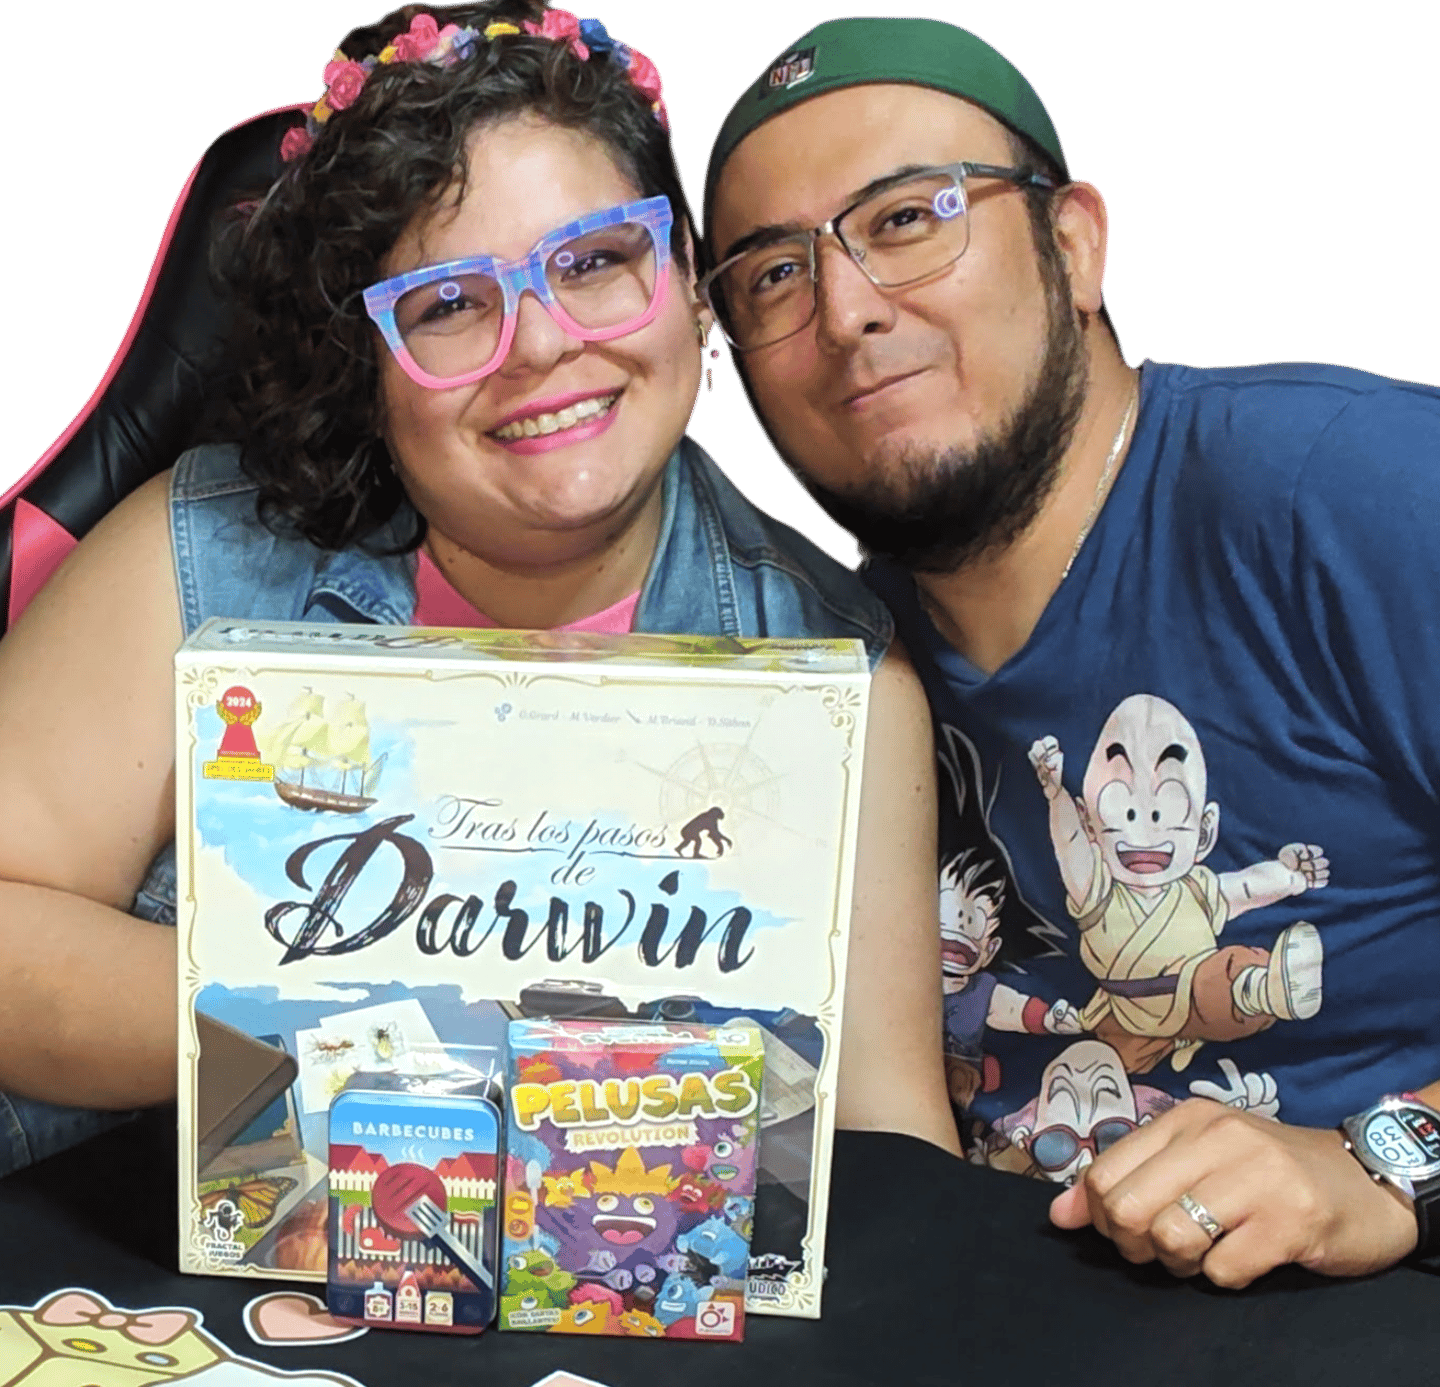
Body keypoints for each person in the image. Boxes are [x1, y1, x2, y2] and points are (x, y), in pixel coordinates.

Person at [0, 2, 959, 1177]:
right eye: (451, 304)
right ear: (371, 362)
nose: (542, 345)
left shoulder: (840, 688)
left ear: (688, 283)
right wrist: (351, 1018)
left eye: (596, 261)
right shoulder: (194, 559)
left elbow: (896, 1168)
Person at [701, 14, 1440, 1288]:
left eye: (908, 217)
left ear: (1075, 244)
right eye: (773, 275)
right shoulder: (818, 674)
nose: (845, 309)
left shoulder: (1357, 492)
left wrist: (1379, 1166)